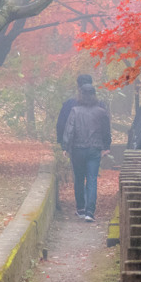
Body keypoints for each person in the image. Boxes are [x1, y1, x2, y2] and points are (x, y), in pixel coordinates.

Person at [62, 82, 111, 222]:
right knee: (92, 179)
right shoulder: (101, 112)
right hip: (95, 150)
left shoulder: (75, 111)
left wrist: (66, 147)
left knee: (79, 178)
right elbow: (106, 131)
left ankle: (81, 209)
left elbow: (69, 130)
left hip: (78, 149)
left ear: (81, 95)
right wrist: (106, 146)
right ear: (94, 95)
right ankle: (90, 212)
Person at [56, 74, 92, 147]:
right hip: (94, 146)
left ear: (78, 87)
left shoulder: (69, 104)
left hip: (75, 146)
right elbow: (104, 126)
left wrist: (62, 142)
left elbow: (61, 124)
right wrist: (105, 146)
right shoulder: (99, 105)